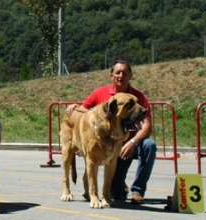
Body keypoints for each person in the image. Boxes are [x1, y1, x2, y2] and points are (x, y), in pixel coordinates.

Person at [66, 60, 156, 204]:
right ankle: (119, 186)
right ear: (111, 75)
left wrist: (133, 142)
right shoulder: (101, 93)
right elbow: (85, 110)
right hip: (112, 145)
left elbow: (147, 125)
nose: (121, 76)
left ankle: (138, 191)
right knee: (117, 194)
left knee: (149, 145)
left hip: (130, 145)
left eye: (125, 73)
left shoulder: (137, 97)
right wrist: (75, 107)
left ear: (130, 76)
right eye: (117, 73)